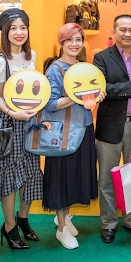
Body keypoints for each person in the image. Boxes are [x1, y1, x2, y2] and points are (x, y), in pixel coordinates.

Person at [92, 14, 131, 243]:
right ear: (113, 32)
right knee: (106, 179)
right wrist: (130, 85)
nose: (127, 34)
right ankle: (108, 223)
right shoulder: (101, 58)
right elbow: (100, 89)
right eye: (123, 30)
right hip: (109, 126)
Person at [43, 23, 104, 249]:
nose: (74, 44)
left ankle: (65, 218)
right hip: (63, 133)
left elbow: (88, 103)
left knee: (76, 176)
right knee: (62, 178)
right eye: (69, 40)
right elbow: (49, 104)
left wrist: (96, 96)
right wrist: (77, 96)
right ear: (61, 42)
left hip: (84, 128)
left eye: (78, 39)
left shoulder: (84, 68)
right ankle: (61, 228)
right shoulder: (54, 69)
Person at [0, 8, 42, 250]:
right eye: (13, 28)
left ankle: (23, 218)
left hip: (29, 122)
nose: (19, 32)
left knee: (30, 172)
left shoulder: (31, 56)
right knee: (9, 176)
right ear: (5, 32)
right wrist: (12, 112)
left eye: (23, 27)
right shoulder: (1, 60)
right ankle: (9, 227)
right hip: (8, 125)